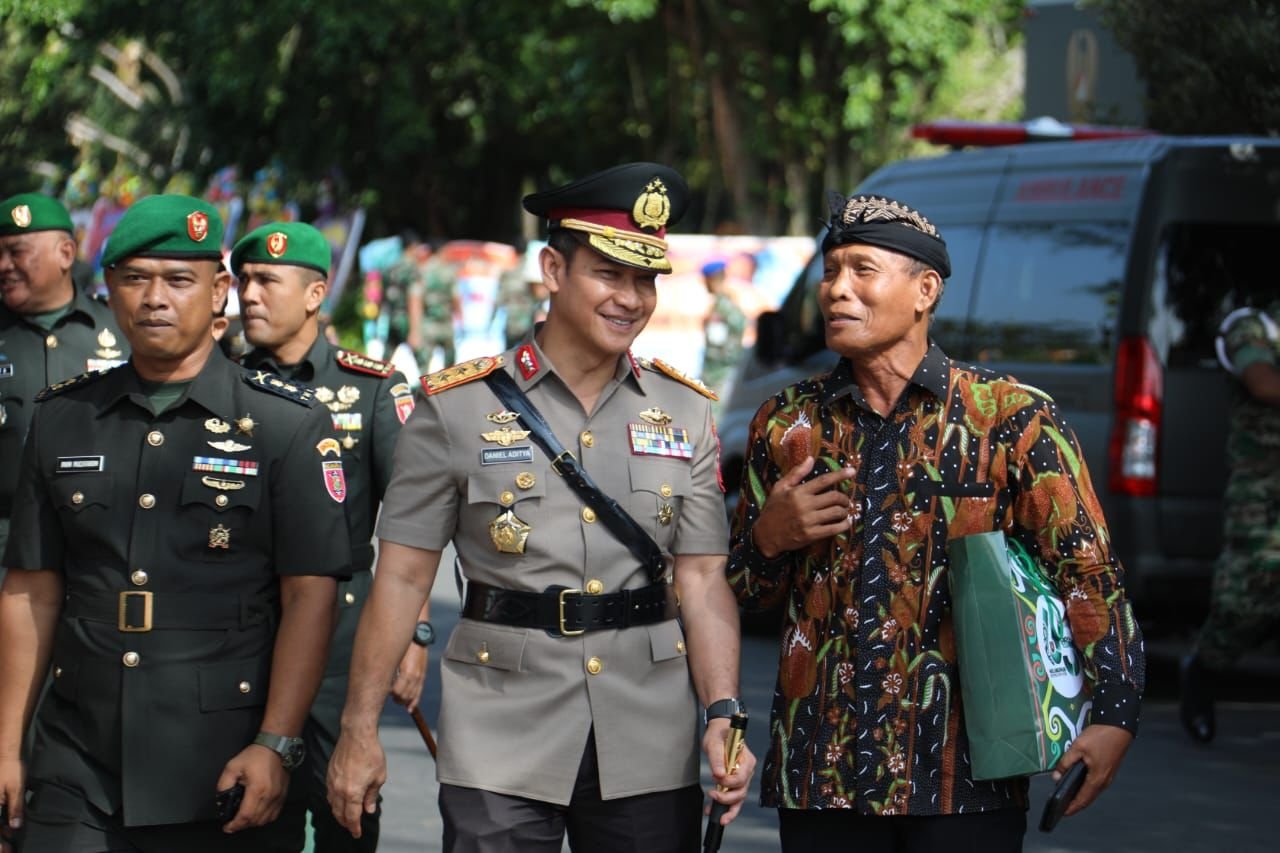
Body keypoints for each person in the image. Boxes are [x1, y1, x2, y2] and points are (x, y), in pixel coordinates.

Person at [326, 162, 755, 852]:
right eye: (609, 274)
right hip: (501, 729)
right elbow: (402, 576)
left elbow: (702, 578)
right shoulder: (456, 407)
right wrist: (358, 728)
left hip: (647, 731)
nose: (630, 299)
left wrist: (723, 711)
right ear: (553, 269)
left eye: (645, 280)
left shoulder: (684, 410)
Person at [727, 194, 1145, 851]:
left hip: (966, 776)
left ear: (925, 290)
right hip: (820, 777)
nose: (836, 289)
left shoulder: (1009, 417)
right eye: (830, 272)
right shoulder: (787, 423)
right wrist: (767, 539)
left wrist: (1115, 714)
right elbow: (746, 594)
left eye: (862, 270)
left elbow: (1087, 573)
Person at [0, 194, 351, 853]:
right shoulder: (63, 417)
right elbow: (31, 589)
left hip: (220, 756)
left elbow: (310, 595)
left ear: (218, 292)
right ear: (108, 290)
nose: (155, 298)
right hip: (79, 752)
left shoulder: (285, 424)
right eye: (135, 278)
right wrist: (5, 746)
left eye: (179, 279)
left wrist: (275, 742)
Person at [232, 221, 428, 850]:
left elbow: (414, 519)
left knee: (345, 809)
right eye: (244, 281)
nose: (249, 295)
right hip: (244, 628)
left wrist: (416, 632)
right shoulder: (225, 382)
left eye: (267, 281)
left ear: (315, 294)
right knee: (247, 814)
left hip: (342, 637)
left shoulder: (371, 386)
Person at [0, 192, 128, 563]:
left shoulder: (121, 329)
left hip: (100, 549)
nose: (4, 265)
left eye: (17, 252)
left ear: (66, 254)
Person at [1180, 298, 1280, 743]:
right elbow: (1263, 382)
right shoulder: (1255, 326)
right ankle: (1203, 669)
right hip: (1263, 491)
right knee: (1245, 600)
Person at [699, 259, 746, 406]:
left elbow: (716, 342)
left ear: (710, 280)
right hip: (727, 369)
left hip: (718, 373)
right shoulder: (729, 302)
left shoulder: (721, 308)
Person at [406, 248, 458, 370]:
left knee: (424, 368)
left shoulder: (423, 271)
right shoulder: (449, 272)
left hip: (428, 325)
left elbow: (415, 301)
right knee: (451, 370)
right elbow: (456, 298)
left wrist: (414, 331)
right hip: (446, 325)